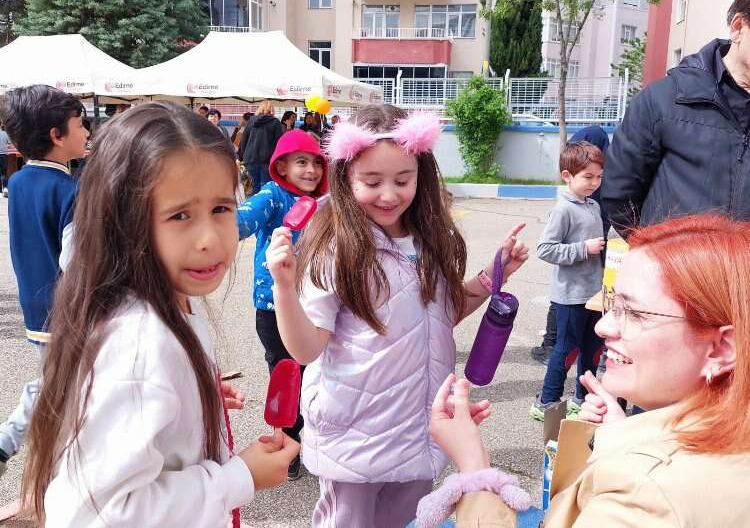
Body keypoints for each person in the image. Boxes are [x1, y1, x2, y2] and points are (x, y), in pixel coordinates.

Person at [21, 102, 299, 526]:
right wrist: (240, 477)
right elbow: (99, 513)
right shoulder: (140, 342)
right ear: (121, 222)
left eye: (221, 209)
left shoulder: (169, 301)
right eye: (180, 215)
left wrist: (193, 395)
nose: (209, 238)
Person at [266, 105, 529, 528]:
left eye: (403, 180)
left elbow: (440, 317)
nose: (388, 195)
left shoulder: (430, 239)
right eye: (372, 182)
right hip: (354, 439)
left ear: (421, 175)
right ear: (346, 177)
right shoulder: (337, 246)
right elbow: (306, 349)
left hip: (418, 433)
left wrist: (492, 274)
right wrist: (283, 287)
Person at [424, 214, 750, 527]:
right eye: (613, 304)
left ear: (722, 348)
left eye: (635, 313)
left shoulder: (647, 496)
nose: (602, 327)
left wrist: (475, 470)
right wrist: (621, 437)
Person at [603, 0, 750, 236]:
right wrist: (656, 251)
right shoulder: (662, 100)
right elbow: (618, 195)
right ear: (738, 27)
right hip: (672, 261)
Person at [0, 85, 89, 480]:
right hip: (67, 309)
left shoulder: (18, 182)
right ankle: (14, 443)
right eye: (80, 124)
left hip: (35, 306)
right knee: (64, 386)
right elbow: (75, 261)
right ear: (57, 135)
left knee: (59, 381)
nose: (86, 132)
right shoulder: (70, 190)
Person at [236, 129, 328, 480]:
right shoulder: (273, 196)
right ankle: (287, 441)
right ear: (282, 166)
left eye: (317, 163)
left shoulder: (325, 204)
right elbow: (241, 221)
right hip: (273, 306)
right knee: (287, 374)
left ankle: (314, 437)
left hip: (314, 304)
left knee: (314, 373)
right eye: (301, 162)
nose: (311, 170)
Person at [531, 141, 605, 421]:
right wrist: (584, 248)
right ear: (567, 176)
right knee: (567, 350)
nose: (594, 183)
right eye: (588, 177)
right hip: (571, 295)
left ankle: (582, 398)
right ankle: (547, 400)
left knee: (593, 349)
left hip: (594, 294)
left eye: (599, 177)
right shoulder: (563, 209)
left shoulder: (593, 205)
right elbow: (545, 249)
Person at [239, 100, 284, 195]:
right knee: (266, 186)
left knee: (253, 185)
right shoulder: (275, 122)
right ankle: (264, 203)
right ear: (272, 110)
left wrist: (241, 156)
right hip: (267, 160)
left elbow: (244, 139)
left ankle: (254, 202)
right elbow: (280, 142)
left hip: (250, 159)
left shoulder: (251, 121)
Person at [0, 122, 8, 195]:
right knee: (4, 173)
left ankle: (0, 190)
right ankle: (5, 188)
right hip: (3, 155)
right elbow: (10, 143)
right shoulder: (5, 134)